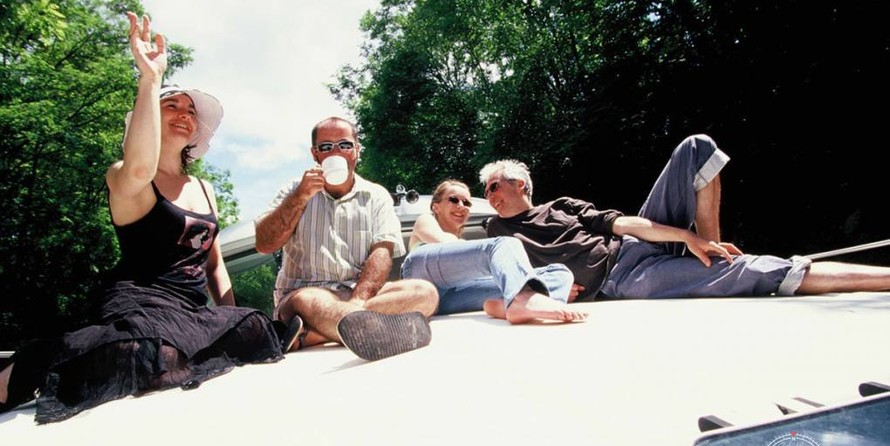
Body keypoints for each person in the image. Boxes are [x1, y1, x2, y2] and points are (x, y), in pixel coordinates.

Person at [0, 13, 288, 423]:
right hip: (139, 303)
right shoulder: (126, 176)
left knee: (255, 328)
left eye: (190, 110)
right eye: (171, 105)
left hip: (190, 311)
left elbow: (214, 265)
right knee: (154, 355)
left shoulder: (204, 189)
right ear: (149, 116)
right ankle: (29, 366)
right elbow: (139, 166)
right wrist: (151, 79)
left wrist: (228, 319)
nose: (184, 113)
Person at [480, 134, 890, 301]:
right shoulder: (496, 230)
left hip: (635, 244)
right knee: (755, 271)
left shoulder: (563, 205)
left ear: (520, 184)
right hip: (625, 279)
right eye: (485, 191)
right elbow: (498, 270)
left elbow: (622, 224)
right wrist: (547, 289)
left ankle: (711, 249)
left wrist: (690, 237)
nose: (489, 195)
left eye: (494, 186)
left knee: (697, 146)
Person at [254, 116, 439, 361]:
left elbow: (382, 252)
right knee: (308, 299)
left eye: (344, 145)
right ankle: (371, 328)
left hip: (357, 292)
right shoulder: (293, 190)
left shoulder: (376, 195)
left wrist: (358, 302)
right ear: (315, 154)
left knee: (425, 292)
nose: (336, 152)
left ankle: (315, 334)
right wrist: (299, 198)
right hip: (304, 294)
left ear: (357, 151)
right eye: (326, 147)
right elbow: (265, 244)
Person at [400, 179, 587, 324]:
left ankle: (511, 304)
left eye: (467, 203)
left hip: (445, 300)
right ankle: (521, 300)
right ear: (436, 206)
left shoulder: (468, 248)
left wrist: (516, 278)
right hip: (421, 281)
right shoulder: (425, 220)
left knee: (559, 273)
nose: (461, 205)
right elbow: (445, 244)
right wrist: (493, 261)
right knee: (505, 244)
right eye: (454, 199)